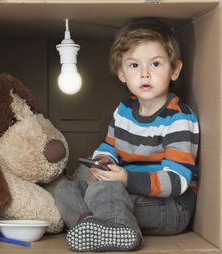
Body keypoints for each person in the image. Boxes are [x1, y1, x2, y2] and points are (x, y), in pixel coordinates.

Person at [54, 17, 199, 252]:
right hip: (123, 194)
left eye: (155, 64)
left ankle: (120, 228)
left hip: (170, 207)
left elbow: (177, 180)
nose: (144, 74)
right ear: (121, 73)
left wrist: (124, 180)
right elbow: (109, 147)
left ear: (175, 69)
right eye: (134, 66)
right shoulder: (124, 110)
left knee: (105, 189)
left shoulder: (178, 118)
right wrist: (104, 164)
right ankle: (90, 227)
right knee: (66, 189)